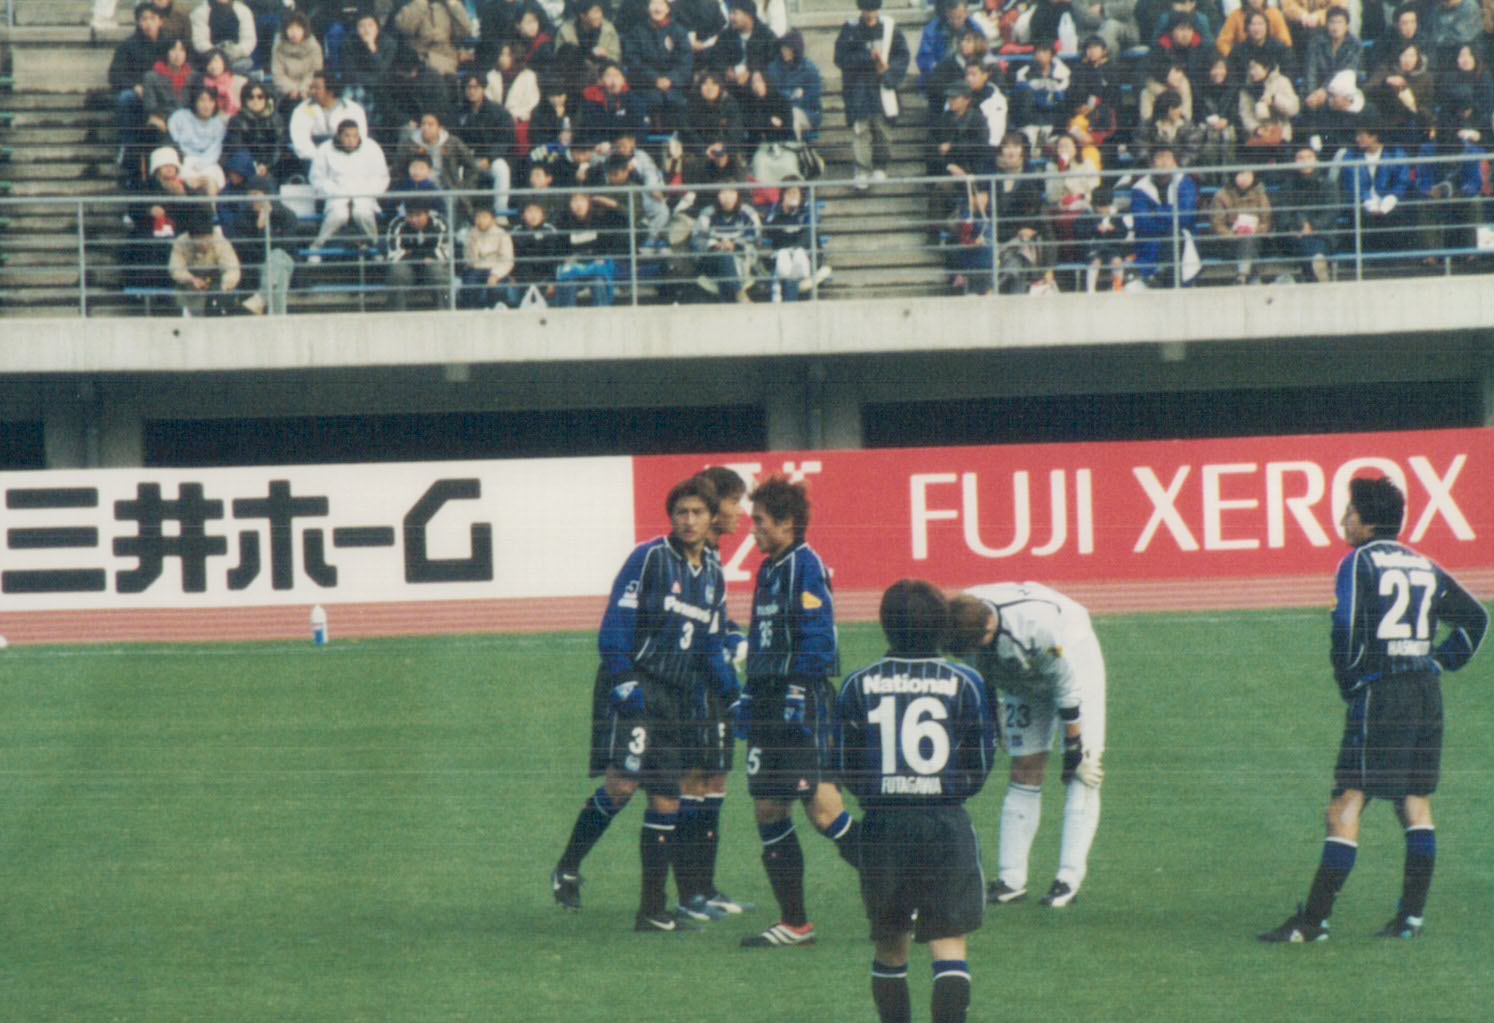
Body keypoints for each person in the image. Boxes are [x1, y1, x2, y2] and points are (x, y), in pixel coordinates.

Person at [1258, 476, 1487, 943]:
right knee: (1414, 801)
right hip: (1426, 693)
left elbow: (1345, 628)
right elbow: (1476, 619)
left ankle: (1313, 921)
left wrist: (1350, 681)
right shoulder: (1423, 564)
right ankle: (1410, 919)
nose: (1344, 520)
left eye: (1350, 512)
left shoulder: (1358, 562)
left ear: (1366, 521)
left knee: (1346, 801)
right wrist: (1440, 661)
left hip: (1383, 692)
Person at [551, 476, 738, 933]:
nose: (689, 521)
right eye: (681, 513)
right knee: (622, 785)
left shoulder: (713, 574)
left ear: (710, 517)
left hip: (677, 696)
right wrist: (623, 680)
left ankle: (652, 911)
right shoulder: (650, 557)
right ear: (671, 517)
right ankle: (567, 866)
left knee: (667, 799)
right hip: (637, 686)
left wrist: (735, 695)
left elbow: (711, 646)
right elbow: (615, 623)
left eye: (697, 513)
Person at [838, 580, 995, 1023]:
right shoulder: (967, 682)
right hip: (944, 823)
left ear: (885, 624)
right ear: (941, 626)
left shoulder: (857, 685)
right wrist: (945, 791)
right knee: (949, 944)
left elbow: (845, 763)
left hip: (884, 826)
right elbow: (982, 762)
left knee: (890, 945)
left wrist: (881, 792)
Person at [738, 475, 862, 949]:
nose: (753, 530)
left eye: (760, 521)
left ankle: (908, 897)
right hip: (768, 702)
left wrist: (794, 690)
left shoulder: (806, 567)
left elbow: (821, 639)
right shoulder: (768, 570)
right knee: (768, 809)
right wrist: (750, 693)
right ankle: (794, 923)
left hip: (802, 700)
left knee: (825, 812)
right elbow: (760, 636)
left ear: (787, 523)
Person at [947, 581, 1107, 908]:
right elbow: (981, 675)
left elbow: (1065, 686)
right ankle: (1011, 879)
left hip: (1071, 656)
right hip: (1015, 668)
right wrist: (995, 719)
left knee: (1083, 769)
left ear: (988, 628)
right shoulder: (959, 623)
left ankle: (1068, 878)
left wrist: (1074, 746)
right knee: (1025, 765)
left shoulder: (1037, 627)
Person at [672, 466, 753, 923]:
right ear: (715, 505)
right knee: (693, 781)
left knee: (715, 781)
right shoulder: (683, 558)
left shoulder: (715, 557)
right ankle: (689, 894)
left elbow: (714, 616)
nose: (741, 511)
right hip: (694, 685)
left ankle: (705, 888)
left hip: (714, 681)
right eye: (735, 501)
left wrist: (733, 633)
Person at [834, 0, 911, 190]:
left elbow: (902, 55)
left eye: (873, 9)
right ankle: (862, 169)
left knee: (882, 129)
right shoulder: (850, 29)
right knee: (861, 130)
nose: (870, 14)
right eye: (866, 10)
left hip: (882, 87)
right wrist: (867, 57)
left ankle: (880, 165)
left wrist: (888, 70)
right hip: (858, 88)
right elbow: (840, 58)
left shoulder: (890, 28)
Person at [308, 118, 390, 253]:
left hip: (364, 196)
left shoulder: (372, 147)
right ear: (339, 136)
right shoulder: (325, 149)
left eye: (355, 136)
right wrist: (334, 191)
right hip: (336, 196)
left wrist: (367, 192)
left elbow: (381, 177)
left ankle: (376, 247)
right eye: (347, 136)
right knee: (338, 215)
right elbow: (317, 178)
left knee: (362, 213)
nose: (351, 140)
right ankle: (317, 247)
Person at [168, 208, 242, 316]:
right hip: (189, 285)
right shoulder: (181, 242)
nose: (204, 244)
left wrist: (223, 286)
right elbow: (175, 269)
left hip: (217, 286)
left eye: (207, 240)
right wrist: (191, 279)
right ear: (191, 238)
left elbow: (232, 270)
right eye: (199, 240)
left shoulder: (221, 243)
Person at [289, 71, 370, 167]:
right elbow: (301, 143)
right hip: (313, 162)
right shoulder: (301, 110)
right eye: (311, 88)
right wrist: (322, 159)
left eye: (317, 88)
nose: (312, 91)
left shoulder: (353, 109)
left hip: (347, 160)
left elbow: (361, 138)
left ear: (330, 91)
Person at [1208, 167, 1272, 283]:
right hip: (1229, 242)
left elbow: (1266, 221)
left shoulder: (1260, 194)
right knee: (1247, 243)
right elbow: (1217, 224)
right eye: (1240, 174)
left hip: (1256, 239)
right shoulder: (1221, 195)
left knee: (1249, 241)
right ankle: (1252, 279)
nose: (1244, 178)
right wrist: (1234, 235)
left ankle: (1242, 276)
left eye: (1248, 174)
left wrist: (1255, 231)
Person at [394, 0, 476, 78]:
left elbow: (466, 31)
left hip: (445, 62)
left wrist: (453, 3)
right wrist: (420, 3)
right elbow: (404, 27)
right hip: (417, 62)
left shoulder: (448, 6)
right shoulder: (409, 3)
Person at [459, 204, 516, 308]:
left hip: (496, 269)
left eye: (485, 217)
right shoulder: (471, 233)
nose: (481, 220)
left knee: (497, 289)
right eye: (478, 217)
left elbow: (507, 260)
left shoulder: (502, 234)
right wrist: (473, 243)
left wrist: (495, 275)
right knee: (469, 288)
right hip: (476, 269)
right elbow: (470, 261)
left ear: (493, 219)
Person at [270, 11, 324, 107]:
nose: (294, 32)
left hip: (309, 90)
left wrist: (303, 88)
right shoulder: (278, 47)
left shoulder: (314, 47)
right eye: (290, 28)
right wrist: (292, 89)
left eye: (298, 28)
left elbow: (315, 72)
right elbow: (278, 75)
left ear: (305, 30)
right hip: (286, 93)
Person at [190, 0, 257, 73]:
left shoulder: (244, 11)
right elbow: (200, 42)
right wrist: (218, 56)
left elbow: (249, 40)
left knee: (246, 64)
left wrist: (237, 51)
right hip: (211, 59)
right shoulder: (200, 13)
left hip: (236, 58)